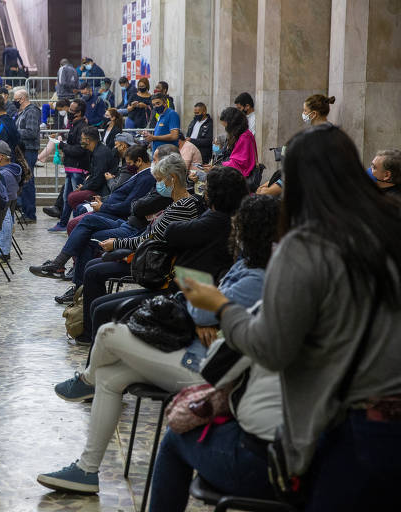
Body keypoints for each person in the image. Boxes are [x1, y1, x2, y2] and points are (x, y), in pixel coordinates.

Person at [181, 125, 401, 511]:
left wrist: (220, 307)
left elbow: (272, 348)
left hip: (351, 424)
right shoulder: (390, 225)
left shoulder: (307, 244)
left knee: (179, 437)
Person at [38, 195, 281, 498]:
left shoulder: (257, 277)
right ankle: (86, 470)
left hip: (208, 371)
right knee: (112, 379)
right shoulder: (247, 264)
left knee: (109, 334)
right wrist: (204, 302)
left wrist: (206, 304)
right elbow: (205, 302)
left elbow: (204, 309)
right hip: (196, 349)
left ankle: (87, 379)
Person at [74, 161, 248, 345]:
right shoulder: (217, 219)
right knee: (97, 296)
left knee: (100, 305)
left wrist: (203, 318)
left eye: (207, 188)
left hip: (173, 288)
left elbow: (166, 234)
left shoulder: (210, 219)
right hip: (179, 286)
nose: (203, 191)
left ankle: (92, 363)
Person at [30, 144, 155, 287]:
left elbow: (129, 205)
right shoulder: (141, 175)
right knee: (85, 217)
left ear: (139, 161)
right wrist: (104, 201)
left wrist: (104, 206)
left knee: (83, 231)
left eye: (130, 163)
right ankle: (61, 266)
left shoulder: (147, 178)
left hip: (126, 222)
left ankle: (73, 279)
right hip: (120, 217)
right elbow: (123, 196)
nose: (128, 166)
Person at [49, 99, 89, 231]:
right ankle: (63, 223)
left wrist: (63, 146)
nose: (69, 112)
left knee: (77, 199)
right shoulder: (74, 125)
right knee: (67, 198)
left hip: (77, 169)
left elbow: (80, 149)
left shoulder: (82, 127)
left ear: (79, 113)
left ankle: (78, 224)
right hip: (70, 168)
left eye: (72, 110)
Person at [13, 88, 40, 222]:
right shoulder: (22, 112)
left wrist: (15, 131)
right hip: (22, 150)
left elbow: (31, 132)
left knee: (28, 181)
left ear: (22, 99)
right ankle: (25, 211)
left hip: (29, 150)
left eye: (15, 100)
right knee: (24, 182)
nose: (14, 102)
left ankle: (30, 214)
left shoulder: (32, 111)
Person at [211, 107, 256, 177]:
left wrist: (218, 167)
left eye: (226, 127)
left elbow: (239, 163)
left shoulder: (244, 137)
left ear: (233, 124)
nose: (226, 129)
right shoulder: (239, 135)